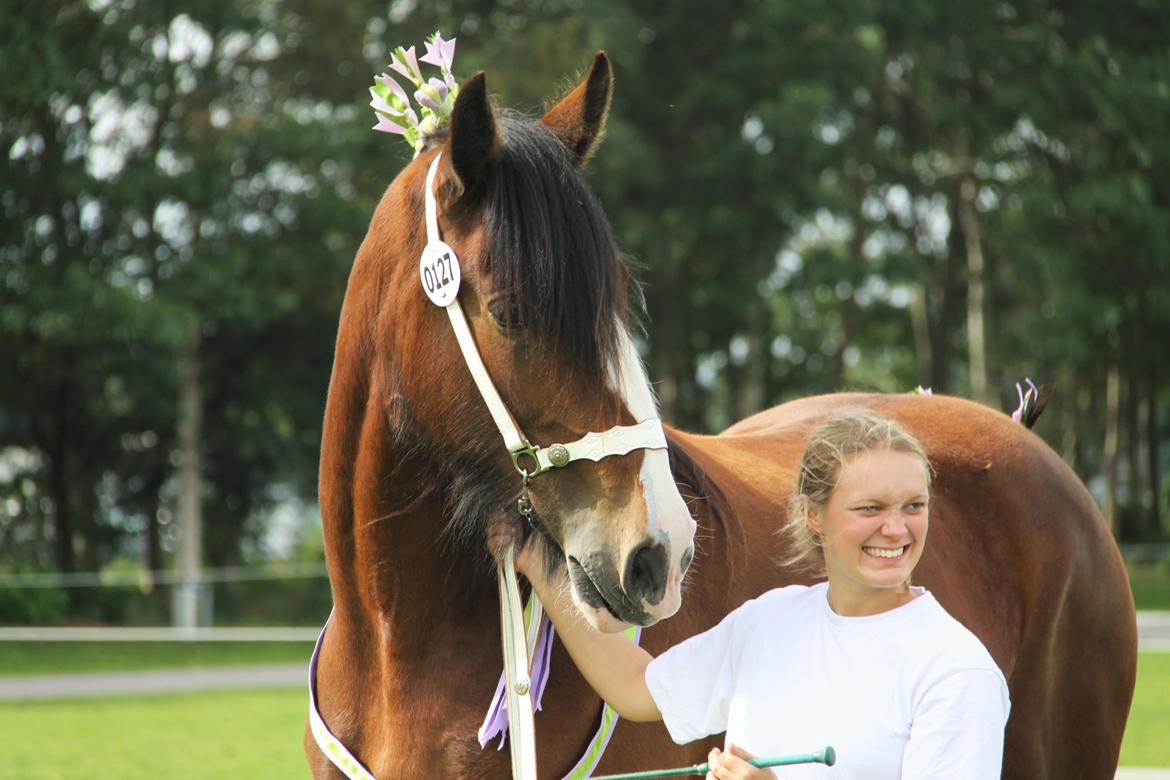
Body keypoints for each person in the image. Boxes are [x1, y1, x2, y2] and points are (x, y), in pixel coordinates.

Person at [513, 407, 1010, 779]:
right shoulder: (771, 621)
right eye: (870, 508)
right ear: (814, 514)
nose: (896, 529)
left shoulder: (955, 670)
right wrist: (533, 556)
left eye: (914, 505)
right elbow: (638, 690)